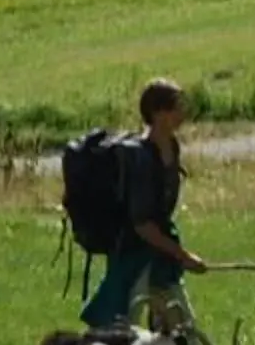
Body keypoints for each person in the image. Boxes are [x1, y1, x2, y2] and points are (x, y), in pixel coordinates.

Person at [79, 79, 214, 329]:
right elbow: (142, 225)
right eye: (177, 107)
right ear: (158, 113)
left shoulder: (172, 146)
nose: (183, 113)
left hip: (160, 254)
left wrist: (175, 253)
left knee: (183, 329)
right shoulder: (139, 158)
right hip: (133, 254)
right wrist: (182, 255)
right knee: (116, 330)